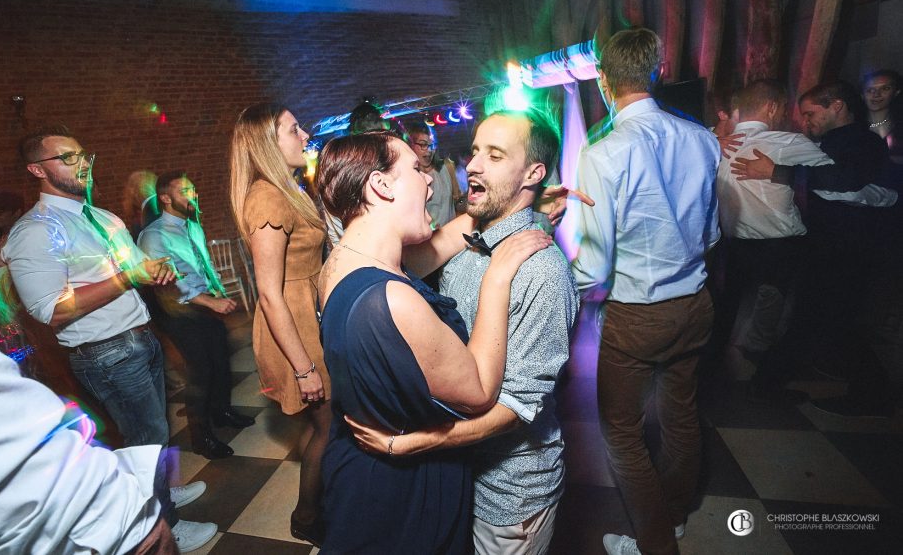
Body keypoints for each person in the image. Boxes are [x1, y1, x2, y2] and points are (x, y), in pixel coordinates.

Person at [345, 110, 579, 555]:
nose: (472, 165)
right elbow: (407, 269)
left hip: (509, 492)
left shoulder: (543, 273)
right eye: (474, 151)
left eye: (494, 155)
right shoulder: (467, 243)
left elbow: (515, 406)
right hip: (461, 472)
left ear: (533, 172)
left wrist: (415, 443)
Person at [2, 126, 216, 552]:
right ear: (36, 170)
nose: (82, 164)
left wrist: (155, 269)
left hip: (140, 340)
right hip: (106, 353)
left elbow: (138, 266)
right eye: (66, 157)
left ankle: (164, 495)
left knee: (155, 433)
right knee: (143, 441)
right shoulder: (35, 231)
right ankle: (161, 528)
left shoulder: (103, 219)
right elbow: (48, 308)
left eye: (84, 155)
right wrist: (125, 278)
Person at [571, 28, 720, 555]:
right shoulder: (702, 138)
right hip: (696, 303)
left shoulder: (603, 153)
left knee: (622, 434)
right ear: (655, 72)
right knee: (681, 414)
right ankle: (675, 517)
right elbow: (711, 232)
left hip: (638, 312)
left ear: (605, 83)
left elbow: (594, 264)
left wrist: (554, 286)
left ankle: (656, 544)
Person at [731, 81, 897, 417]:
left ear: (836, 106)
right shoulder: (830, 142)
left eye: (810, 113)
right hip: (831, 248)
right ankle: (866, 389)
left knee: (822, 321)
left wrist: (777, 171)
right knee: (824, 321)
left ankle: (869, 392)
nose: (805, 121)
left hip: (848, 250)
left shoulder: (862, 142)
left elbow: (846, 184)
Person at [0, 307, 178, 554]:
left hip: (107, 518)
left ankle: (166, 502)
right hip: (87, 528)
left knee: (155, 432)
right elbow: (49, 310)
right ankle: (165, 506)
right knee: (148, 434)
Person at [229, 103, 332, 546]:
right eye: (294, 129)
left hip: (306, 310)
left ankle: (322, 504)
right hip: (292, 322)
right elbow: (269, 293)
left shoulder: (286, 188)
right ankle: (306, 518)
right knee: (331, 427)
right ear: (269, 143)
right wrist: (305, 368)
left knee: (323, 425)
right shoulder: (267, 197)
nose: (305, 134)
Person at [138, 171, 255, 460]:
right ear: (166, 198)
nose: (194, 196)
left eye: (193, 190)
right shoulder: (153, 235)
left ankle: (222, 412)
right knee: (200, 372)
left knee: (220, 361)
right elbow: (167, 282)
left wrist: (216, 292)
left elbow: (203, 265)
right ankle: (200, 437)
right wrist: (208, 302)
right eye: (186, 191)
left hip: (207, 305)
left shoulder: (192, 227)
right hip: (181, 312)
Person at [404, 120, 463, 228]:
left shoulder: (447, 167)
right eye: (423, 145)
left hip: (451, 237)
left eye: (433, 145)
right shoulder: (407, 178)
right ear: (410, 145)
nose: (430, 150)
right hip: (426, 242)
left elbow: (458, 201)